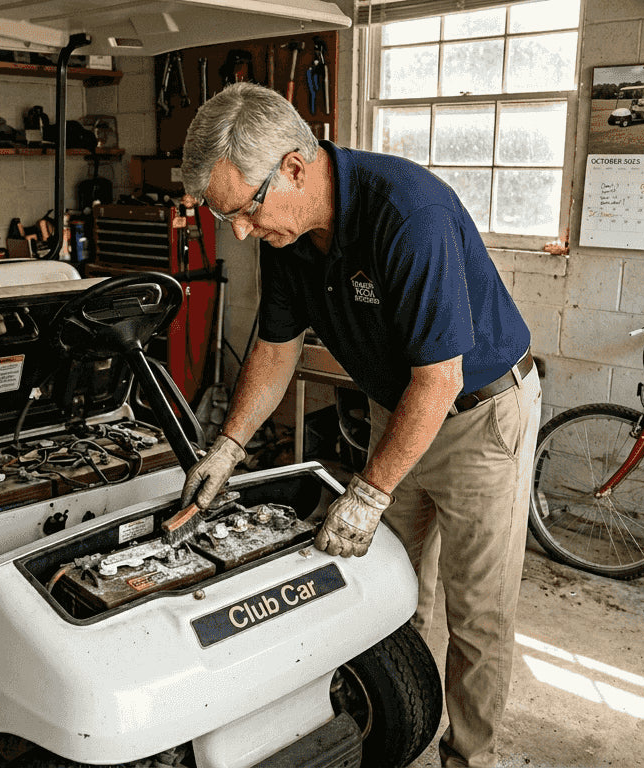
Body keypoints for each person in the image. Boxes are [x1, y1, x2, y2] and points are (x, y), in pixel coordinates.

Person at [177, 82, 540, 767]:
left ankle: (469, 759)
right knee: (387, 588)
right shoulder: (282, 231)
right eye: (227, 218)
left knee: (480, 615)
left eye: (245, 211)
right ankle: (399, 719)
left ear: (293, 166)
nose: (242, 232)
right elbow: (276, 346)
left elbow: (441, 379)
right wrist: (227, 446)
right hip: (396, 408)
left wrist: (369, 492)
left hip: (477, 414)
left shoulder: (409, 214)